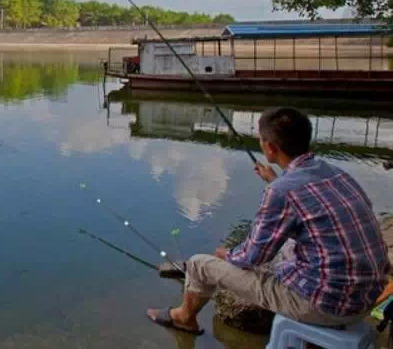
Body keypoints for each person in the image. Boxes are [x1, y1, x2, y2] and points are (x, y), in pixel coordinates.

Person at [147, 107, 390, 335]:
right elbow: (305, 200)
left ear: (271, 148)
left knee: (202, 263)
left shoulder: (281, 191)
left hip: (325, 307)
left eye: (261, 140)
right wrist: (274, 180)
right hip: (367, 297)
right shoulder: (336, 173)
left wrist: (228, 254)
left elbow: (253, 256)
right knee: (283, 245)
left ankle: (183, 317)